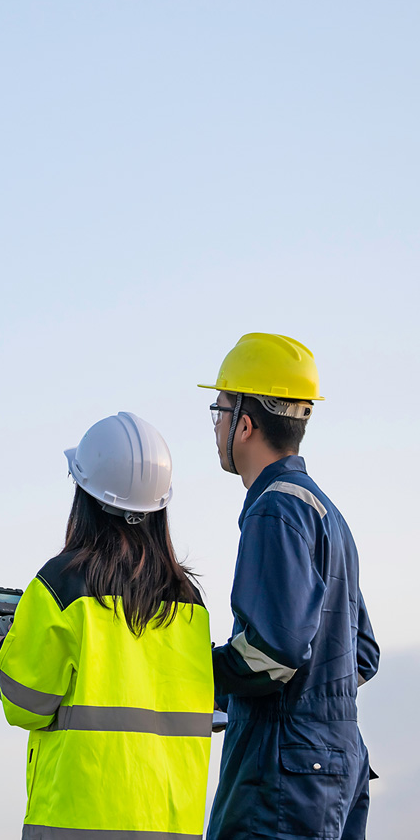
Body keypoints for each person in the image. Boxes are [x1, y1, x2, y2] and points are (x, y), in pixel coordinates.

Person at [0, 412, 213, 839]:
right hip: (171, 828)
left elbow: (23, 703)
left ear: (85, 496)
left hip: (76, 826)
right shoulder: (190, 603)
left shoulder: (61, 586)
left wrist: (11, 645)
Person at [200, 333, 379, 839]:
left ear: (246, 424)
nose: (215, 424)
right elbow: (361, 655)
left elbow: (274, 650)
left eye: (220, 408)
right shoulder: (326, 513)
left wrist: (193, 675)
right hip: (337, 766)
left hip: (284, 773)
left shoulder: (274, 509)